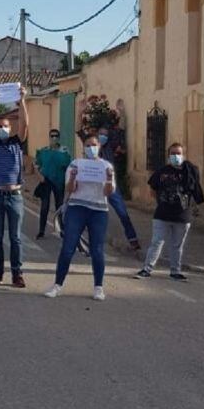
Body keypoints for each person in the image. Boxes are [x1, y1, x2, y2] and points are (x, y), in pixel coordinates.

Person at [45, 133, 115, 301]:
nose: (91, 148)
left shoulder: (106, 166)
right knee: (68, 247)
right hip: (77, 207)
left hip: (98, 211)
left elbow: (108, 192)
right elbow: (70, 189)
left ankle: (98, 287)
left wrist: (109, 178)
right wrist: (74, 176)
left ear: (99, 146)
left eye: (94, 145)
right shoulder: (76, 164)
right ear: (83, 148)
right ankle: (57, 285)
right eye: (88, 145)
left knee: (97, 250)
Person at [135, 143, 204, 281]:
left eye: (178, 153)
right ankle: (146, 269)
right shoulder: (161, 171)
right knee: (156, 242)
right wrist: (163, 201)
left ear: (183, 155)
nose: (176, 156)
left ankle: (175, 271)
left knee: (177, 245)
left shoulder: (189, 171)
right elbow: (152, 190)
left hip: (182, 216)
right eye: (173, 153)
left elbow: (195, 189)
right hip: (162, 214)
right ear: (168, 155)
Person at [0, 87, 29, 288]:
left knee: (16, 238)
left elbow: (26, 124)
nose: (2, 128)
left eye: (6, 126)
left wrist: (23, 101)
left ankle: (17, 275)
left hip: (15, 195)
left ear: (11, 128)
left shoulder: (16, 143)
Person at [91, 126, 140, 250]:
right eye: (101, 134)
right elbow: (80, 131)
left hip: (111, 185)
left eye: (105, 135)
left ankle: (133, 239)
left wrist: (121, 114)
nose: (103, 137)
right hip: (96, 186)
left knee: (122, 212)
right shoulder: (91, 149)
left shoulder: (110, 148)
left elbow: (121, 133)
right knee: (92, 212)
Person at [34, 128, 72, 239]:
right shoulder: (44, 151)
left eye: (56, 136)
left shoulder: (64, 151)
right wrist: (39, 176)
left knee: (59, 206)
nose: (54, 138)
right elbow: (36, 164)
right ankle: (41, 230)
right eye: (52, 136)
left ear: (59, 138)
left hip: (59, 181)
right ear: (49, 137)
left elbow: (69, 166)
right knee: (44, 206)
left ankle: (61, 230)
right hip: (46, 181)